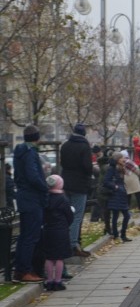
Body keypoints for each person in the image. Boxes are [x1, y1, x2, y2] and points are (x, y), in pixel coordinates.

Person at [13, 125, 48, 283]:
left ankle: (20, 269)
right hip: (32, 198)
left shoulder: (19, 151)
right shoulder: (30, 153)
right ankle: (25, 270)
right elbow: (33, 176)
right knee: (31, 236)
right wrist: (44, 186)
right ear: (37, 137)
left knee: (25, 236)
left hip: (23, 197)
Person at [59, 123, 93, 258]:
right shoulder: (84, 147)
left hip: (66, 183)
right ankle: (73, 245)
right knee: (77, 216)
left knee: (67, 215)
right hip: (80, 185)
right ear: (84, 134)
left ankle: (65, 243)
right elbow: (87, 166)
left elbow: (62, 164)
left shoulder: (65, 146)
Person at [42, 175, 73, 291]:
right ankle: (58, 281)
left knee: (49, 257)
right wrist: (66, 224)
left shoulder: (46, 198)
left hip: (48, 230)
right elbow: (69, 215)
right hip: (60, 230)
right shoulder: (63, 199)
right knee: (59, 257)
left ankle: (49, 280)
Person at [104, 152, 132, 243]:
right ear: (117, 160)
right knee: (117, 215)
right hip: (116, 194)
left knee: (125, 215)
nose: (124, 159)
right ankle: (117, 235)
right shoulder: (112, 169)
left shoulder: (120, 168)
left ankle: (122, 234)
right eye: (122, 158)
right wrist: (115, 187)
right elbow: (106, 181)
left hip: (121, 194)